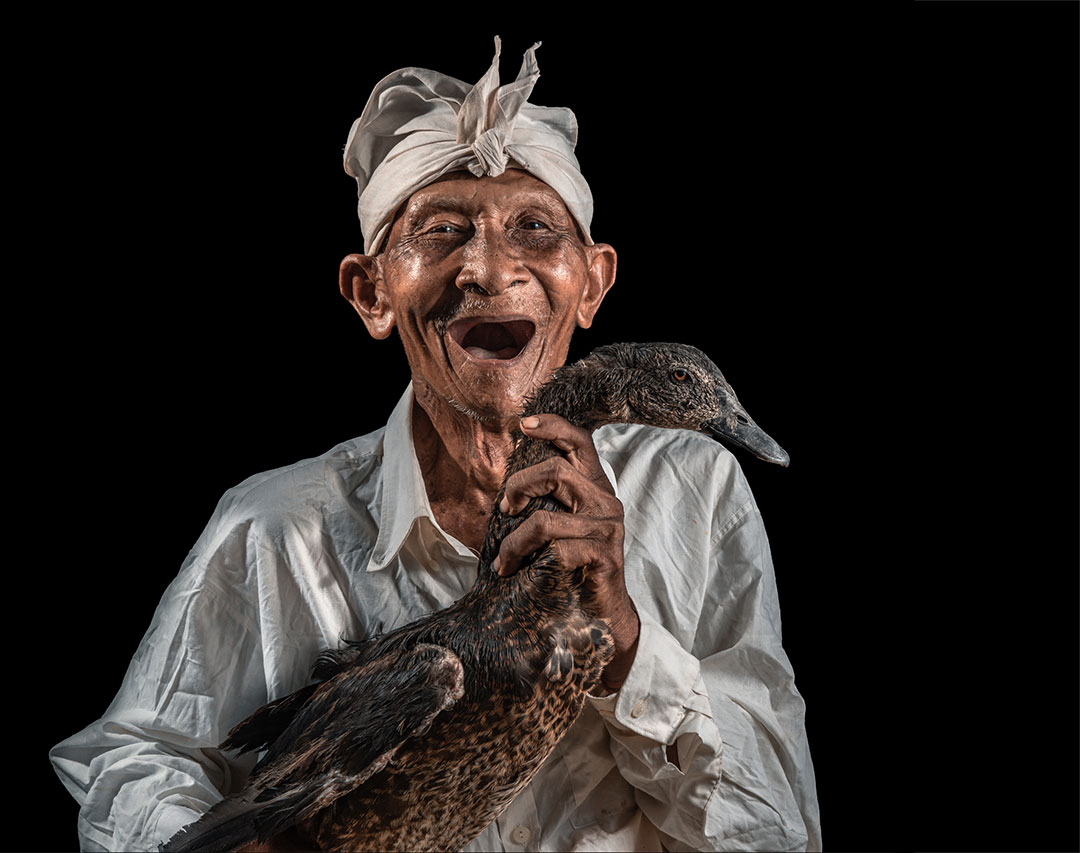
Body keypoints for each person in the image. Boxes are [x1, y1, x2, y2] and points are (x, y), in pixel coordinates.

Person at [50, 38, 820, 852]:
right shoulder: (274, 525)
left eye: (535, 226)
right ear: (371, 292)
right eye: (444, 229)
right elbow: (130, 763)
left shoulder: (696, 490)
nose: (490, 268)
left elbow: (777, 829)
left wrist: (627, 640)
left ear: (592, 283)